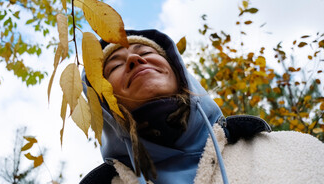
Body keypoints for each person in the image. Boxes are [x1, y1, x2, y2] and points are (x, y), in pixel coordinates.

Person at [80, 29, 324, 184]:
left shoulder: (291, 149)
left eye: (144, 51)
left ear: (179, 71)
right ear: (101, 101)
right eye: (114, 66)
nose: (134, 59)